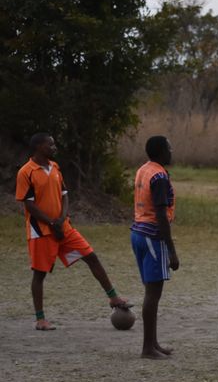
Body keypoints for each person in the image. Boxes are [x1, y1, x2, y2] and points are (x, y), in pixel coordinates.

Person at [14, 133, 131, 331]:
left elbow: (64, 196)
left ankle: (113, 297)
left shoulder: (56, 167)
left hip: (64, 228)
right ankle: (40, 319)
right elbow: (29, 205)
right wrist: (51, 223)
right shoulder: (26, 172)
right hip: (41, 231)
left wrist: (61, 220)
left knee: (91, 257)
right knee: (40, 274)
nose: (54, 147)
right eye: (50, 144)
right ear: (38, 147)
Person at [131, 136, 179, 359]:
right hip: (152, 236)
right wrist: (171, 250)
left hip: (138, 232)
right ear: (161, 152)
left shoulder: (144, 169)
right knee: (153, 294)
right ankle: (147, 348)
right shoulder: (159, 176)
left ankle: (153, 343)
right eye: (169, 148)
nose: (172, 151)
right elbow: (160, 214)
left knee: (151, 292)